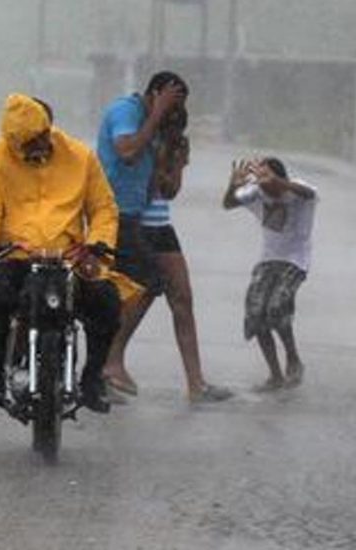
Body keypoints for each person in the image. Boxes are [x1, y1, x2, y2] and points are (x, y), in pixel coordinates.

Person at [0, 93, 138, 414]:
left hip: (72, 257)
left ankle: (92, 380)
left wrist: (98, 246)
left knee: (107, 304)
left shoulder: (81, 156)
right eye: (31, 142)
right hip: (16, 256)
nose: (41, 144)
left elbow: (103, 208)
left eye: (43, 135)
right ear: (13, 143)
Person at [96, 71, 231, 403]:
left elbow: (166, 190)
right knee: (143, 286)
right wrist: (157, 120)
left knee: (181, 298)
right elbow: (127, 152)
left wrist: (175, 161)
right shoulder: (130, 115)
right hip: (124, 218)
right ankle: (109, 363)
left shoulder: (162, 131)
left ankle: (196, 383)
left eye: (178, 109)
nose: (173, 114)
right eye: (170, 104)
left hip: (156, 221)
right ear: (155, 95)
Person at [223, 157, 317, 391]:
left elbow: (308, 193)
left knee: (276, 308)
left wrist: (280, 183)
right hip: (268, 260)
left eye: (266, 179)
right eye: (259, 179)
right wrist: (233, 185)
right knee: (255, 314)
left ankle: (293, 359)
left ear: (279, 177)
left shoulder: (296, 189)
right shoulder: (257, 191)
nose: (262, 185)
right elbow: (229, 204)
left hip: (295, 261)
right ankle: (275, 375)